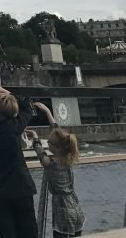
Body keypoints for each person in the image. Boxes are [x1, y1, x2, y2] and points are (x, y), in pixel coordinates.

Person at [0, 82, 37, 238]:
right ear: (12, 112)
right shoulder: (14, 127)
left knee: (7, 232)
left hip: (0, 189)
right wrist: (6, 91)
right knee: (29, 230)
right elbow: (27, 107)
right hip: (21, 186)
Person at [26, 102, 85, 238]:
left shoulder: (51, 164)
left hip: (63, 211)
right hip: (75, 206)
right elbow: (58, 133)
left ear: (56, 148)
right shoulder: (68, 157)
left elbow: (40, 152)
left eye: (49, 142)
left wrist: (35, 137)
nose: (47, 142)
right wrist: (47, 111)